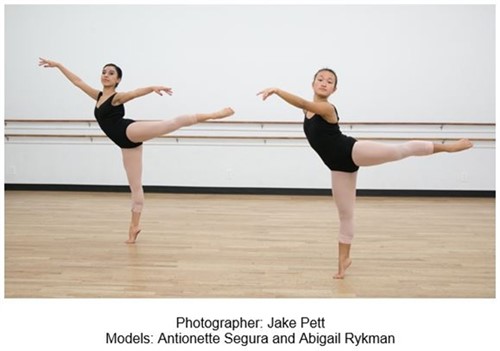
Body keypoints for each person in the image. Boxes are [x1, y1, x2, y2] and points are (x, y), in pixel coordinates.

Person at [257, 68, 473, 279]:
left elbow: (304, 102)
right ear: (312, 84)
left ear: (334, 89)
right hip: (338, 167)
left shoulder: (327, 108)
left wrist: (276, 90)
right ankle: (344, 262)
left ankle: (448, 147)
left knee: (399, 151)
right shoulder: (307, 111)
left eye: (329, 81)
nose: (324, 82)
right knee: (345, 214)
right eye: (320, 79)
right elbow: (304, 106)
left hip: (352, 151)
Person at [39, 58, 234, 244]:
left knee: (170, 123)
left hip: (129, 131)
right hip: (125, 144)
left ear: (118, 80)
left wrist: (151, 88)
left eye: (111, 73)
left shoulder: (116, 98)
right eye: (104, 72)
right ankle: (134, 228)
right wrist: (58, 65)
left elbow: (134, 93)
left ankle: (215, 114)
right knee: (135, 186)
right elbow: (77, 81)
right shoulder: (98, 96)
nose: (106, 75)